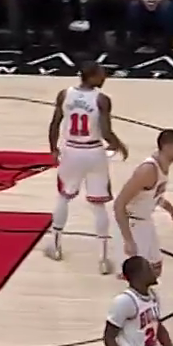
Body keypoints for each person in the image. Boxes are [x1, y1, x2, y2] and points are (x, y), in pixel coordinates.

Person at [44, 59, 128, 273]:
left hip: (71, 150)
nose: (105, 77)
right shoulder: (102, 99)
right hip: (94, 152)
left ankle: (55, 246)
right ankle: (102, 259)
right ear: (91, 76)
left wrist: (53, 148)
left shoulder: (64, 94)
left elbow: (55, 124)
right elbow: (106, 132)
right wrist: (120, 145)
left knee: (64, 197)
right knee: (98, 205)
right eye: (101, 73)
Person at [116, 128, 173, 280]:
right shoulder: (147, 171)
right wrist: (128, 240)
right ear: (167, 147)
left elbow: (153, 196)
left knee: (155, 268)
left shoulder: (162, 165)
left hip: (145, 221)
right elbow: (119, 204)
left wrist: (172, 211)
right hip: (133, 224)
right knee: (137, 275)